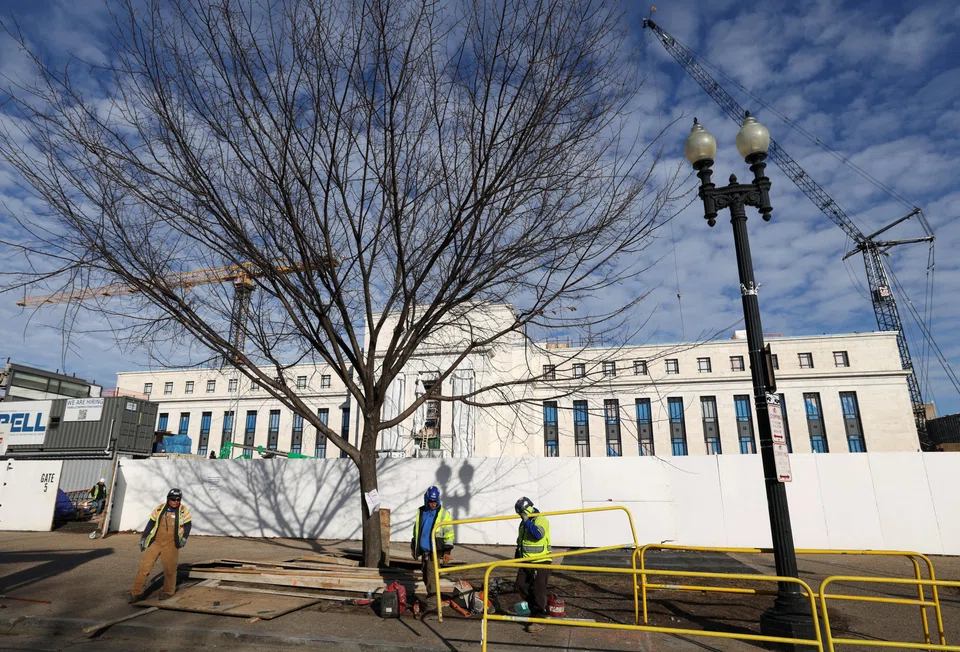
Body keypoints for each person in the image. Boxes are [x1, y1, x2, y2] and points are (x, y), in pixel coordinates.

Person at [130, 488, 192, 603]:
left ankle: (168, 591)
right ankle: (137, 592)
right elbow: (151, 522)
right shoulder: (159, 509)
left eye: (178, 499)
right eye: (173, 499)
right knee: (144, 567)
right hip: (156, 542)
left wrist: (184, 537)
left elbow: (188, 525)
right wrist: (144, 537)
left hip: (171, 543)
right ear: (168, 499)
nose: (176, 502)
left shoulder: (183, 510)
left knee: (170, 569)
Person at [410, 486, 454, 617]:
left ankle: (432, 608)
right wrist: (414, 546)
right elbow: (416, 531)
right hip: (424, 552)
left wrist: (447, 552)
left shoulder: (443, 514)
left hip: (434, 552)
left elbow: (449, 534)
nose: (433, 504)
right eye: (430, 501)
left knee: (432, 580)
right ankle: (433, 603)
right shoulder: (422, 512)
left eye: (435, 502)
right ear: (426, 500)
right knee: (426, 578)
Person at [514, 496, 551, 633]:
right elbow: (520, 541)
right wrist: (517, 557)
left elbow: (537, 534)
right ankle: (537, 607)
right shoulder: (523, 523)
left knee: (538, 590)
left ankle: (539, 617)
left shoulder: (541, 520)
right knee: (520, 585)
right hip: (526, 561)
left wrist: (527, 520)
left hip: (541, 561)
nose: (520, 516)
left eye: (521, 513)